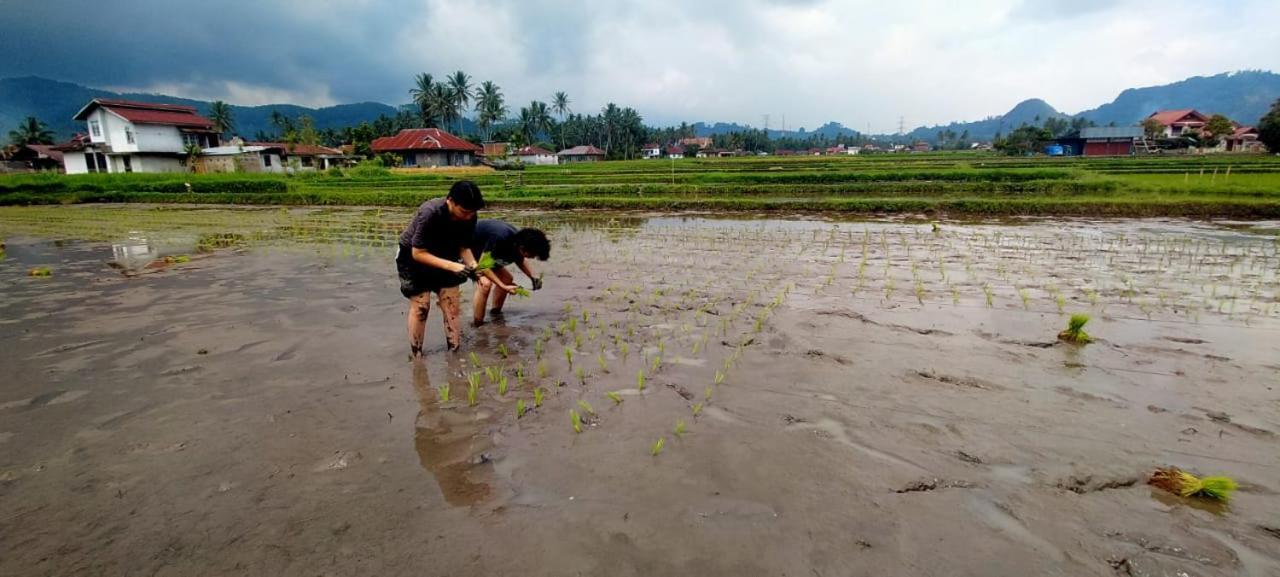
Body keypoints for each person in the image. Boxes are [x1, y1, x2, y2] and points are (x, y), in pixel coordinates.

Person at [397, 180, 512, 357]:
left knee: (451, 305)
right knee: (422, 306)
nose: (468, 217)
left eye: (472, 212)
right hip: (413, 258)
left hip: (446, 254)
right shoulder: (431, 212)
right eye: (464, 211)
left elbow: (464, 248)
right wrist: (454, 266)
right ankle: (417, 355)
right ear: (450, 200)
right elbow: (418, 253)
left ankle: (454, 353)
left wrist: (475, 267)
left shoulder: (470, 217)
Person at [470, 220, 551, 326]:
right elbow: (483, 266)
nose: (532, 258)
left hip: (485, 254)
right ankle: (477, 324)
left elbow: (520, 260)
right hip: (468, 253)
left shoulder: (519, 241)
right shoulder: (500, 238)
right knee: (485, 284)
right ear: (522, 249)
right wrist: (503, 286)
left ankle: (495, 313)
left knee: (507, 279)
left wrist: (533, 277)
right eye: (532, 255)